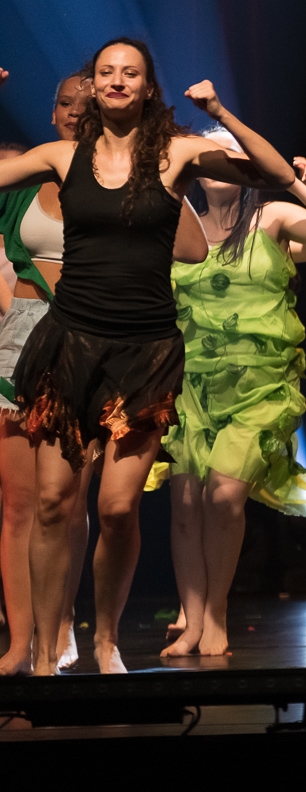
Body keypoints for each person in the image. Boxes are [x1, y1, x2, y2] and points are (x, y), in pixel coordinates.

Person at [0, 38, 296, 674]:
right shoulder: (61, 156)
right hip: (69, 345)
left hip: (145, 350)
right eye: (106, 72)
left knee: (116, 507)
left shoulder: (178, 154)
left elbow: (276, 174)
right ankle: (46, 658)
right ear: (93, 87)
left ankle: (105, 640)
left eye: (129, 72)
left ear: (147, 87)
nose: (116, 80)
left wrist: (219, 112)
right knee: (52, 503)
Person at [157, 130, 306, 658]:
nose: (217, 164)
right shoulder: (177, 225)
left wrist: (299, 186)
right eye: (208, 156)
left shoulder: (272, 217)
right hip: (191, 383)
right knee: (186, 504)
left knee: (224, 496)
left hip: (258, 388)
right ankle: (192, 620)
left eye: (229, 156)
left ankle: (215, 615)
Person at [0, 72, 196, 673]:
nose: (72, 112)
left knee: (98, 501)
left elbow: (189, 247)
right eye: (64, 103)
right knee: (29, 503)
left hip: (110, 339)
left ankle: (79, 630)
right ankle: (28, 644)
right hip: (28, 336)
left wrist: (168, 182)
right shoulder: (34, 170)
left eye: (84, 105)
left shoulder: (130, 175)